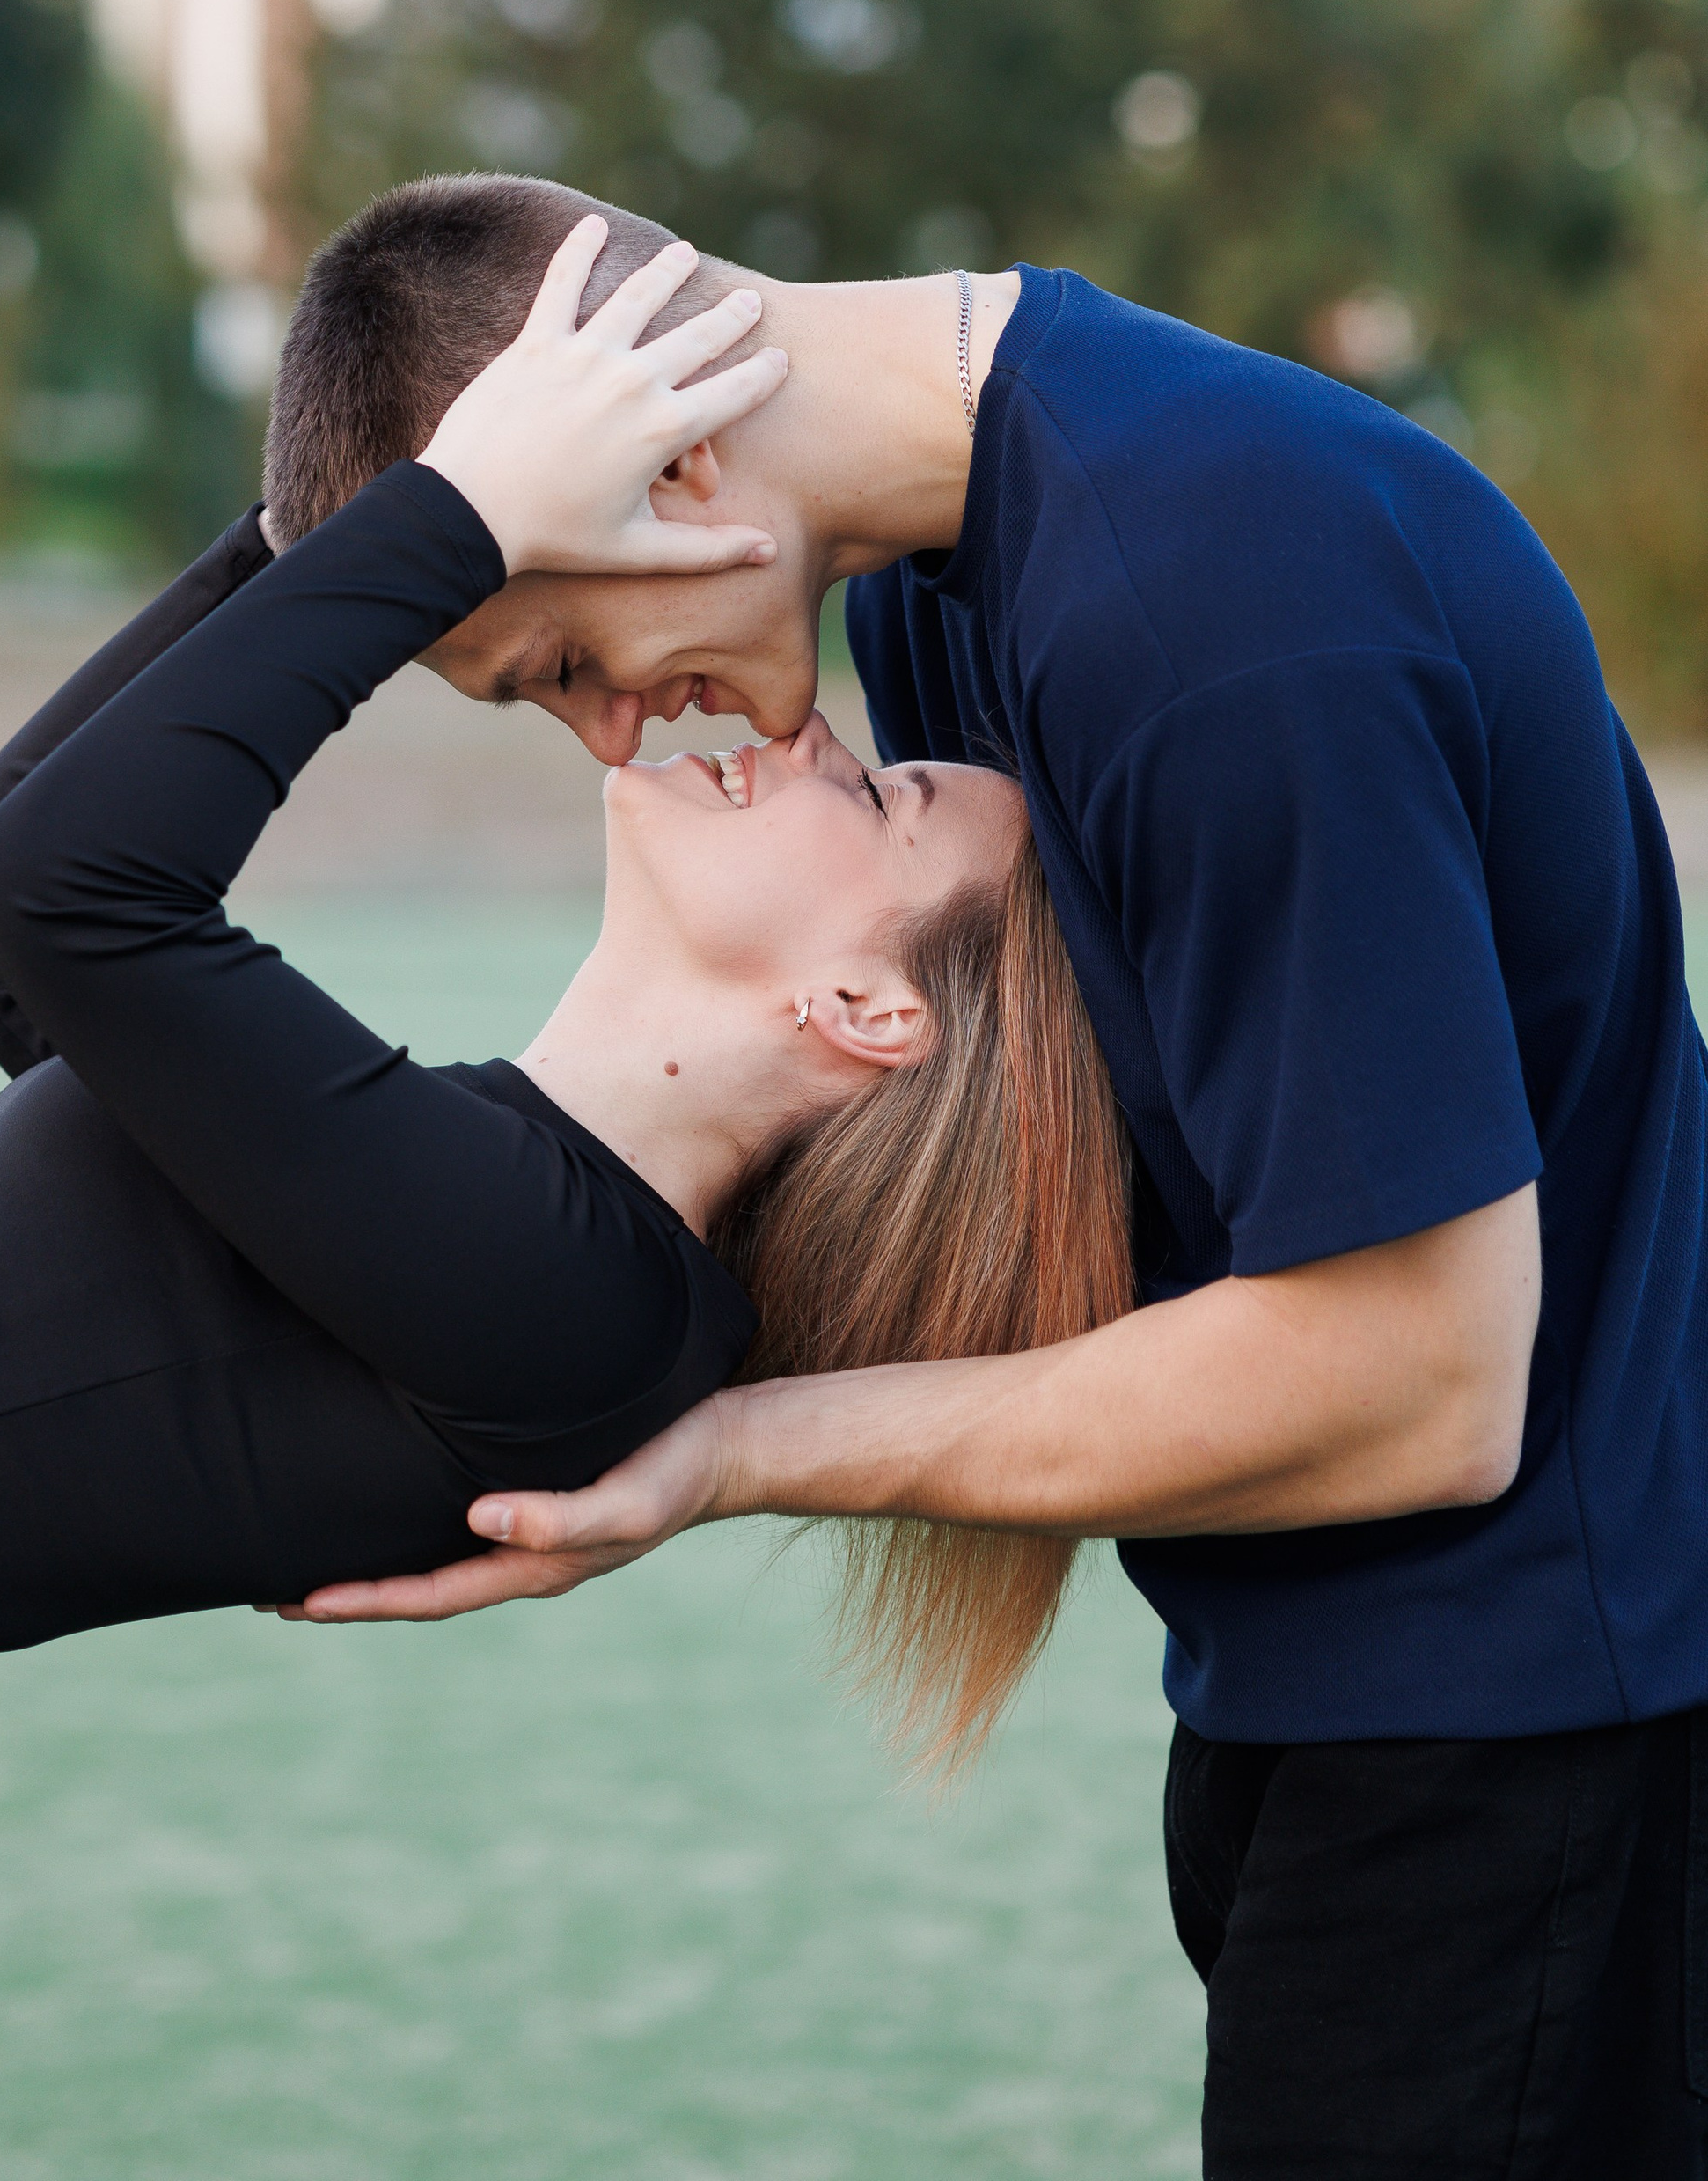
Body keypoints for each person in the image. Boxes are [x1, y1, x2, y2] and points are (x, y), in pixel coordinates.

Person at [0, 231, 1132, 2181]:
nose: (814, 736)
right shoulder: (483, 1192)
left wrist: (456, 516)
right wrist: (312, 517)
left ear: (866, 1007)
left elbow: (70, 886)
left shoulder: (571, 1296)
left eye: (896, 798)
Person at [259, 172, 1708, 2181]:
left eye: (565, 658)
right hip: (1322, 1689)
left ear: (672, 452)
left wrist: (739, 1448)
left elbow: (1421, 1383)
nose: (612, 741)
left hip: (1534, 1724)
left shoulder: (1209, 598)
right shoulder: (934, 577)